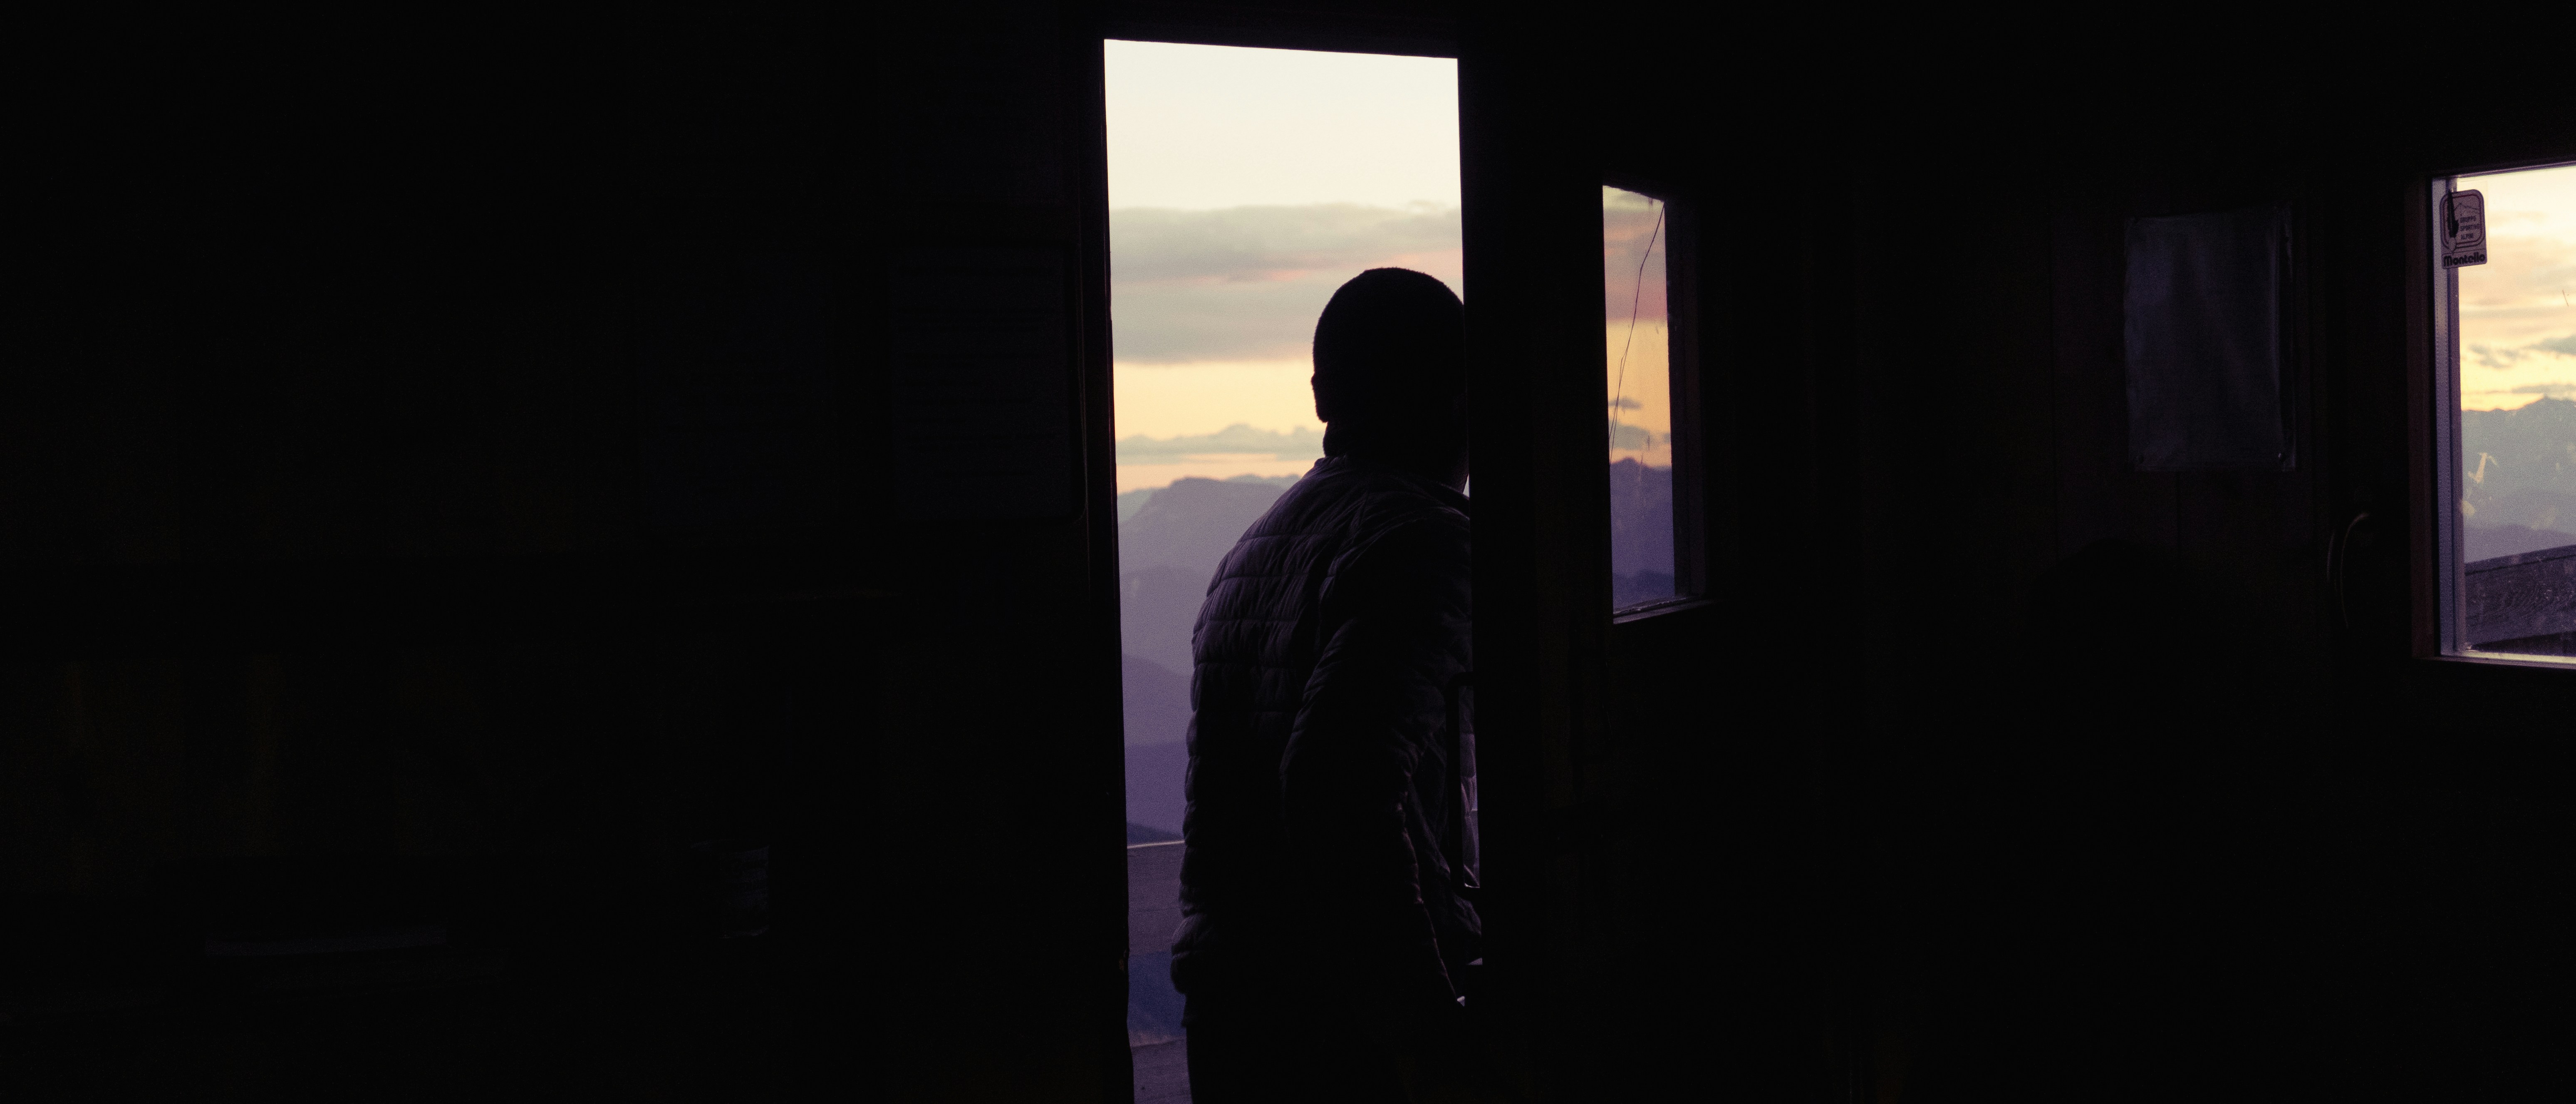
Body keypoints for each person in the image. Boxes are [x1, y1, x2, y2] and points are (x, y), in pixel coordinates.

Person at [1171, 268, 1482, 1102]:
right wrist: (1430, 1016)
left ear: (1322, 397)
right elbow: (1339, 784)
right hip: (1347, 1024)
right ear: (1460, 395)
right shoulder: (1427, 543)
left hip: (1234, 1004)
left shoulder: (1255, 549)